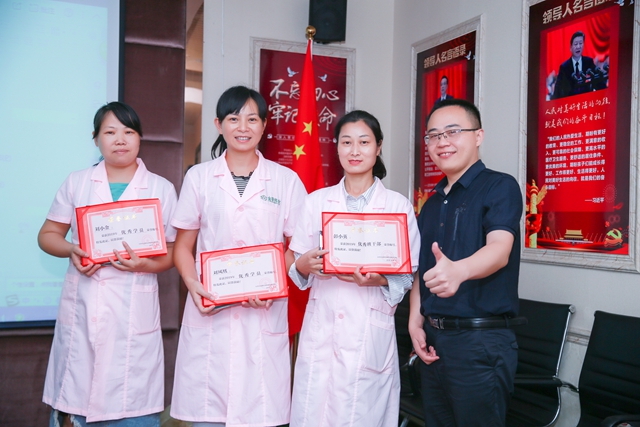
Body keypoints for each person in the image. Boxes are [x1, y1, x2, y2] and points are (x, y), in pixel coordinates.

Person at [169, 85, 307, 427]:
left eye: (252, 119)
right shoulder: (199, 178)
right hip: (210, 309)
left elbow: (298, 246)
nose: (243, 127)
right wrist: (192, 284)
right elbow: (183, 247)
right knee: (208, 418)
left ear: (264, 125)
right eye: (233, 119)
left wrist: (272, 282)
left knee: (260, 412)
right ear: (219, 125)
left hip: (264, 312)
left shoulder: (286, 180)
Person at [39, 102, 178, 427]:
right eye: (110, 132)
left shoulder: (160, 188)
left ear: (140, 138)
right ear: (96, 138)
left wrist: (144, 265)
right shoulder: (77, 182)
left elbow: (174, 251)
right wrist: (72, 249)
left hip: (133, 315)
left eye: (129, 132)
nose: (120, 139)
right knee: (77, 395)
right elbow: (47, 235)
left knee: (132, 407)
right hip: (84, 306)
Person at [287, 110, 421, 427]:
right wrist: (304, 264)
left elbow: (407, 275)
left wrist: (378, 280)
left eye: (364, 142)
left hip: (369, 331)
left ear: (378, 147)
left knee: (363, 415)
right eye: (346, 142)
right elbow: (296, 264)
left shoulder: (397, 206)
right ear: (337, 147)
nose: (355, 150)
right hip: (322, 327)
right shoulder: (316, 202)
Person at [408, 99, 523, 427]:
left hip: (480, 343)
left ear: (478, 136)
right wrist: (415, 321)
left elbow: (499, 250)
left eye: (453, 132)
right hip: (435, 342)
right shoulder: (431, 204)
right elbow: (423, 271)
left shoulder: (499, 186)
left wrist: (460, 270)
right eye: (433, 135)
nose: (442, 142)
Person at [552, 31, 607, 99]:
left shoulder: (589, 62)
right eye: (575, 44)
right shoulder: (564, 67)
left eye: (580, 43)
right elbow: (557, 92)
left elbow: (599, 84)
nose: (578, 46)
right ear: (570, 47)